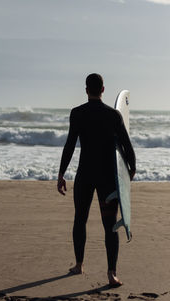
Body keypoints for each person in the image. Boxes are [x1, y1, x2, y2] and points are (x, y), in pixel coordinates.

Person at [57, 73, 136, 287]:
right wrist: (131, 169)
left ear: (86, 90)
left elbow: (70, 145)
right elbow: (127, 146)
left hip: (85, 175)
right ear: (103, 89)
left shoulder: (77, 113)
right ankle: (112, 273)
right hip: (108, 178)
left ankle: (79, 265)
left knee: (79, 219)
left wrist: (61, 173)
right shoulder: (113, 115)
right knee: (110, 225)